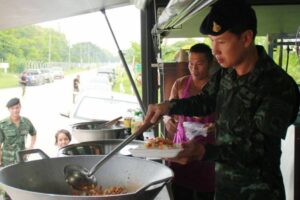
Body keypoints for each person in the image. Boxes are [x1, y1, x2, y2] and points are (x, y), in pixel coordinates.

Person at [144, 0, 300, 199]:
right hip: (224, 189)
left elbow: (258, 152)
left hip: (258, 192)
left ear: (246, 38)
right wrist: (168, 106)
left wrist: (203, 151)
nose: (215, 50)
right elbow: (205, 101)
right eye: (212, 41)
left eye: (222, 42)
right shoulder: (227, 73)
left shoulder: (276, 85)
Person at [163, 43, 215, 200]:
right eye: (191, 64)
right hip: (182, 147)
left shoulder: (218, 86)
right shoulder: (180, 83)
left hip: (207, 150)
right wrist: (167, 119)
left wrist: (216, 126)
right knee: (181, 192)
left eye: (199, 64)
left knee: (205, 194)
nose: (194, 68)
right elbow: (169, 111)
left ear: (210, 63)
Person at [0, 97, 37, 200]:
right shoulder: (3, 124)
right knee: (8, 182)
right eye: (12, 108)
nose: (15, 110)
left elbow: (33, 133)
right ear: (9, 110)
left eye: (17, 107)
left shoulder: (26, 122)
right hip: (8, 159)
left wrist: (31, 147)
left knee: (22, 181)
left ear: (20, 107)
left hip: (22, 158)